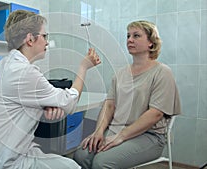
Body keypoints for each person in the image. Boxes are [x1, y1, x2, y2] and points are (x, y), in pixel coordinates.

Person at [0, 10, 101, 169]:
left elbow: (24, 99)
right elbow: (68, 101)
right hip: (0, 162)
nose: (47, 42)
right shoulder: (25, 72)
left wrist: (46, 104)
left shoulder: (6, 64)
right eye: (44, 36)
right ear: (30, 39)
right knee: (73, 167)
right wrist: (83, 67)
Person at [73, 20, 181, 169]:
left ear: (151, 43)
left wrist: (122, 136)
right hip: (116, 129)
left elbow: (155, 114)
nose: (130, 40)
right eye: (128, 36)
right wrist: (98, 131)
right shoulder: (121, 74)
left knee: (101, 162)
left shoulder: (162, 72)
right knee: (81, 155)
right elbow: (109, 105)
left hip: (149, 136)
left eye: (136, 36)